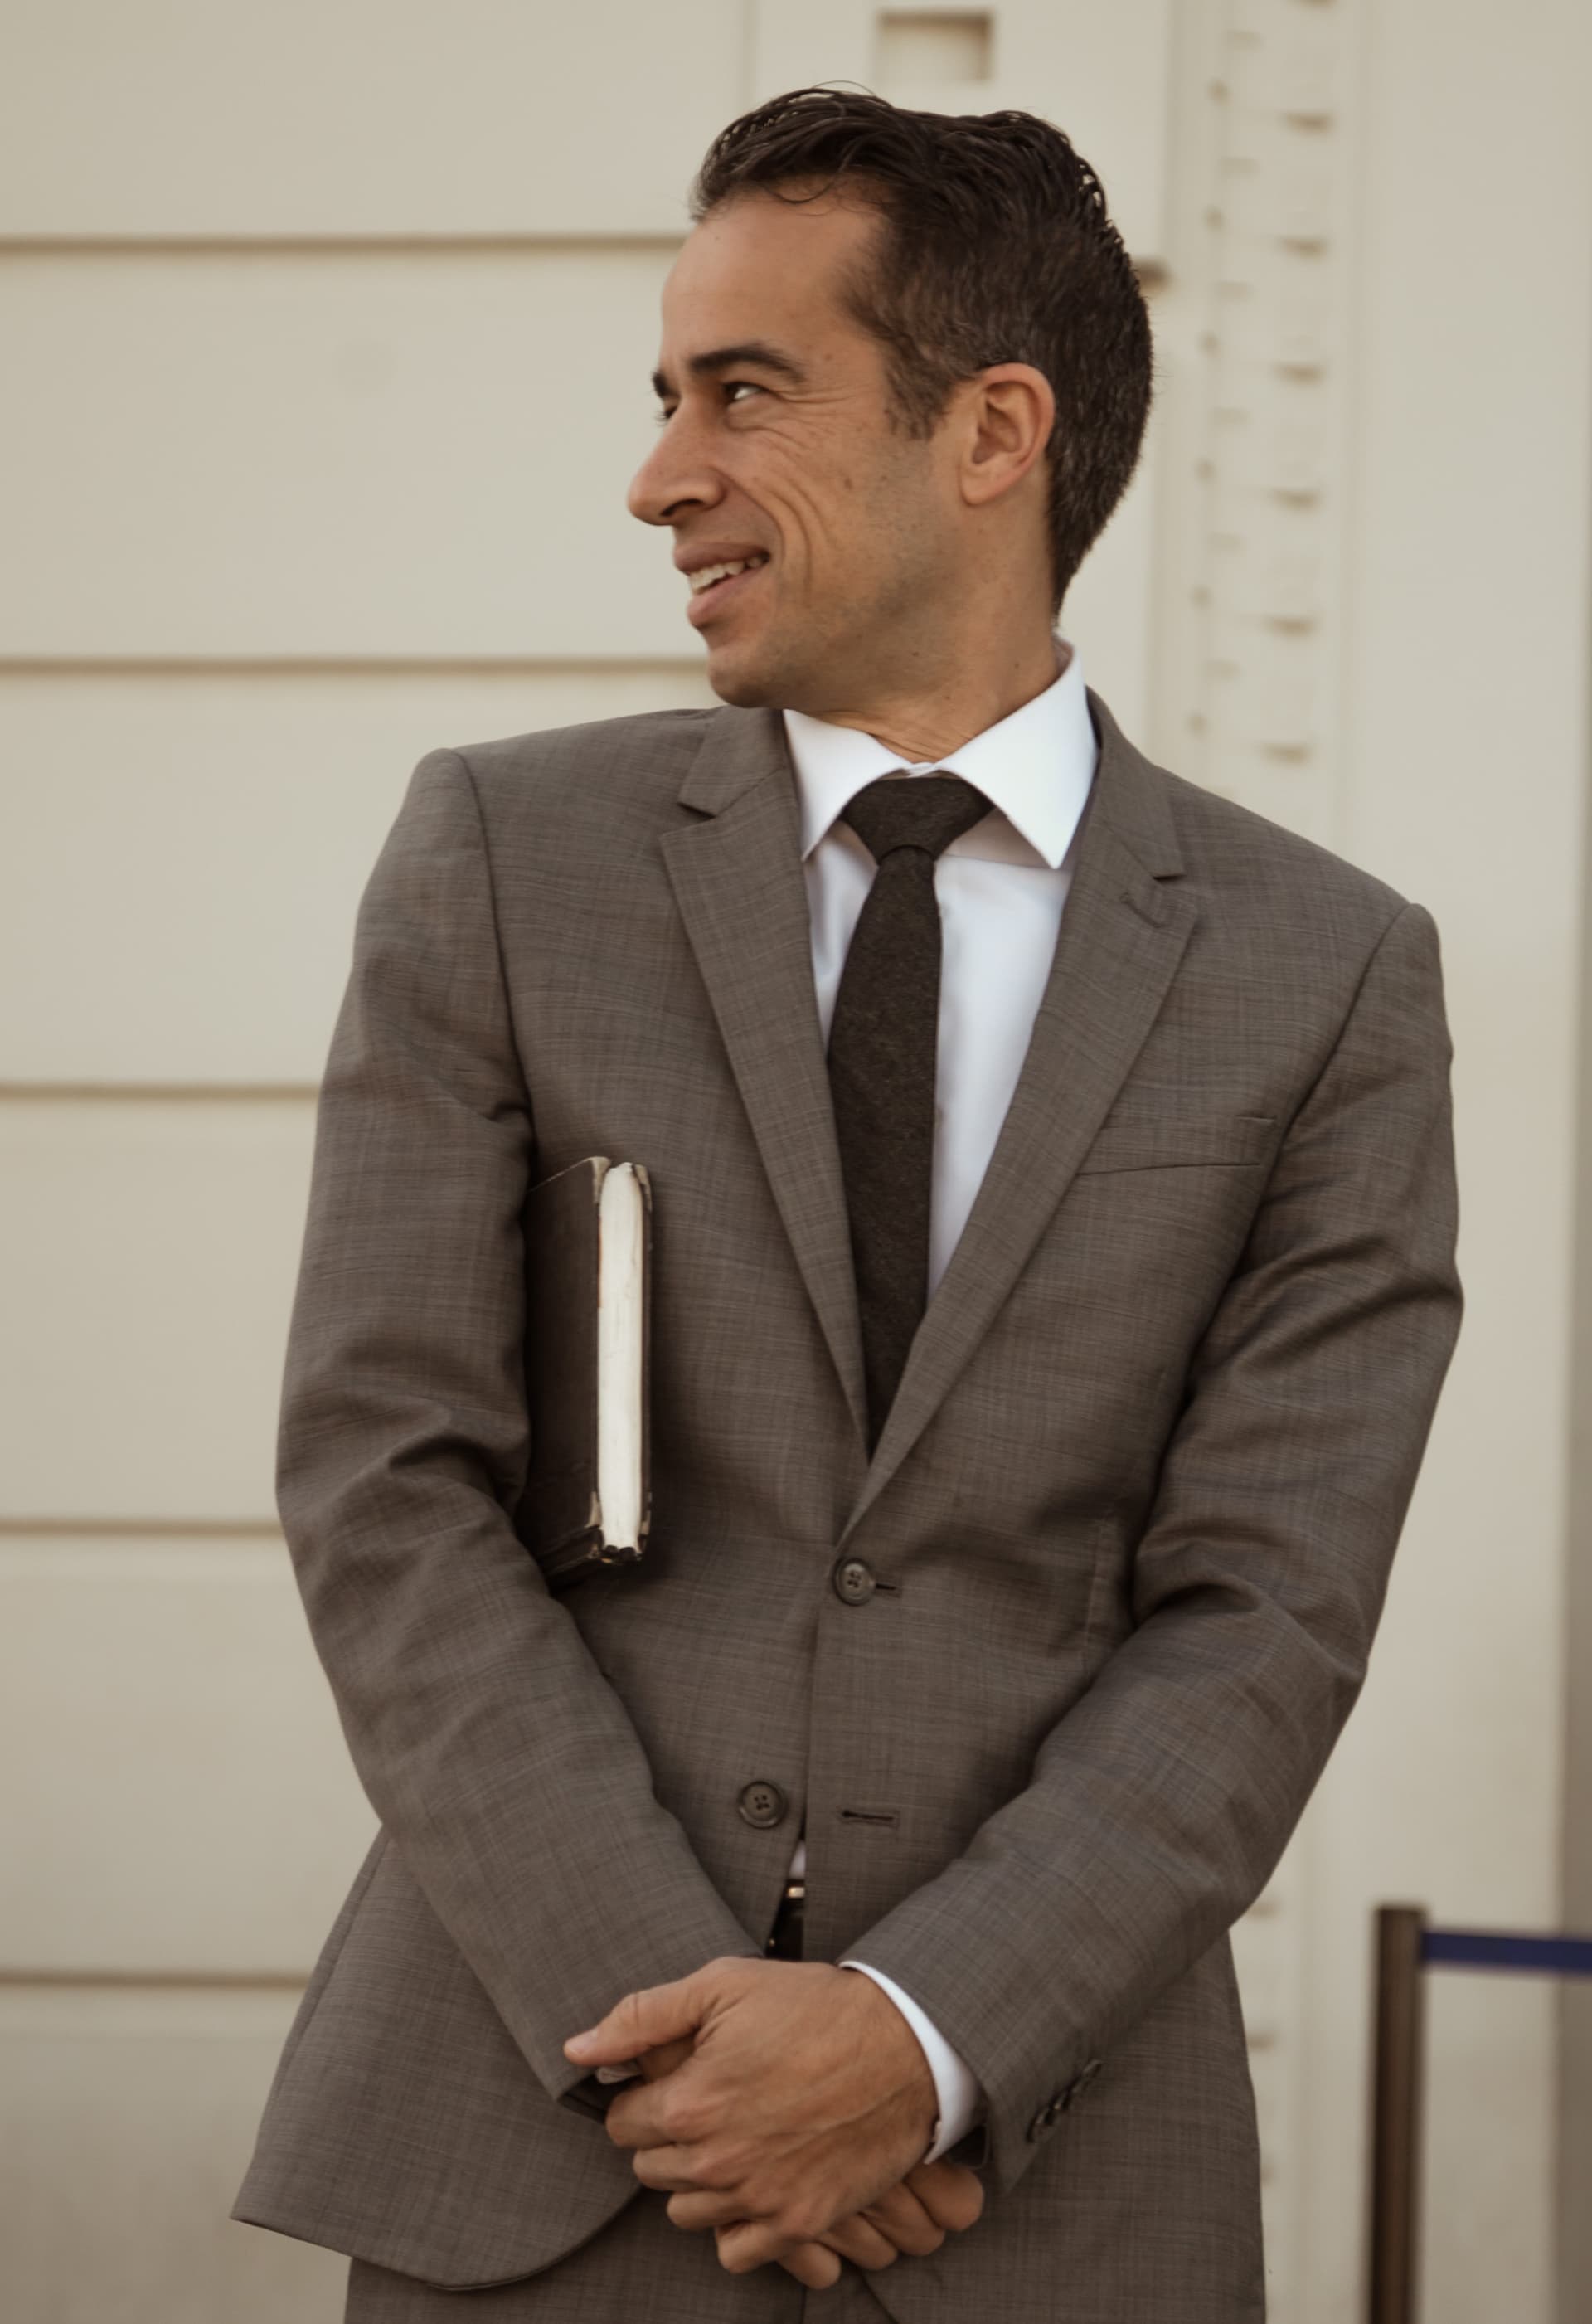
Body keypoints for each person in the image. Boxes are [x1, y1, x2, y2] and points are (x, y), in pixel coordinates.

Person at [231, 86, 1463, 2322]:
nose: (660, 474)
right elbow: (386, 1478)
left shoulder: (1330, 973)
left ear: (993, 431)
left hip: (1049, 2191)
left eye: (744, 391)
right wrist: (697, 2041)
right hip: (552, 2152)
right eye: (664, 396)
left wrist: (918, 2042)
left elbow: (1266, 1609)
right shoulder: (506, 861)